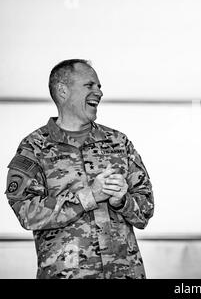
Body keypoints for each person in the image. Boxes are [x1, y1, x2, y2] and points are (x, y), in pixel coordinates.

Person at [5, 59, 154, 279]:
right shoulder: (34, 147)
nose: (99, 92)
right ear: (63, 91)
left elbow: (145, 211)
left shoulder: (118, 142)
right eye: (90, 85)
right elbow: (27, 213)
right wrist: (89, 195)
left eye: (99, 87)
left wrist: (122, 201)